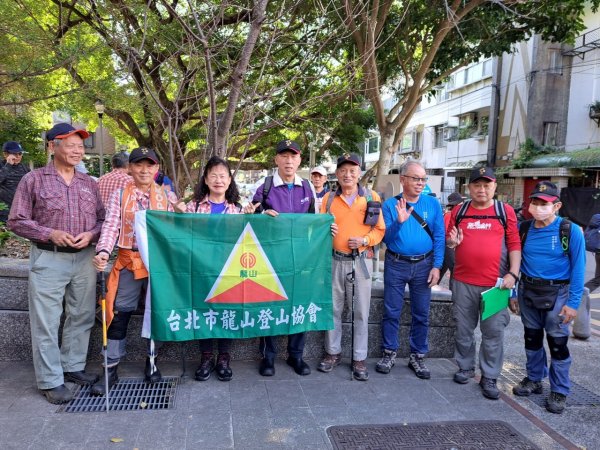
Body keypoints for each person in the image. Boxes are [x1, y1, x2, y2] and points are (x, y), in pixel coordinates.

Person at [8, 123, 104, 404]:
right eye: (70, 144)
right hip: (48, 257)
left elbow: (102, 219)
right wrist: (51, 233)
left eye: (80, 145)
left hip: (84, 258)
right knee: (47, 321)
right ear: (52, 146)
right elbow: (16, 220)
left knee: (82, 315)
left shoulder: (89, 183)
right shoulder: (33, 180)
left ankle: (72, 367)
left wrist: (92, 234)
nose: (77, 150)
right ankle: (50, 380)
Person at [91, 147, 178, 395]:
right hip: (129, 261)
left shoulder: (166, 198)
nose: (144, 170)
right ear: (130, 167)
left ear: (156, 169)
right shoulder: (119, 195)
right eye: (138, 165)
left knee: (157, 312)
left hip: (157, 265)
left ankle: (152, 363)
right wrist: (103, 252)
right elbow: (110, 226)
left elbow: (173, 232)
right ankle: (110, 368)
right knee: (119, 313)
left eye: (149, 165)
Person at [446, 166, 520, 400]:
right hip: (462, 281)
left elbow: (515, 244)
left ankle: (489, 376)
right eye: (477, 185)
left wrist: (513, 274)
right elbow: (449, 240)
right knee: (463, 329)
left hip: (496, 285)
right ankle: (465, 367)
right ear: (469, 188)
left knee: (493, 332)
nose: (482, 189)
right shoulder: (459, 210)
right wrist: (452, 242)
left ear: (494, 187)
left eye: (487, 185)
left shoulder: (504, 211)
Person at [511, 181, 586, 413]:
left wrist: (573, 304)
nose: (538, 206)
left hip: (558, 294)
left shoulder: (570, 231)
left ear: (557, 206)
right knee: (531, 339)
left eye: (544, 203)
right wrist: (514, 292)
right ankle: (534, 379)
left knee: (557, 344)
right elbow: (515, 262)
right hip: (528, 291)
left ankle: (560, 390)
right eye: (535, 201)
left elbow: (579, 269)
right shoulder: (524, 229)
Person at [174, 156, 248, 382]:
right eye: (213, 175)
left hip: (229, 271)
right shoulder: (192, 207)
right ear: (205, 179)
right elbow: (179, 236)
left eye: (223, 176)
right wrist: (178, 217)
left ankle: (224, 358)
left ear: (229, 181)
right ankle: (206, 357)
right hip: (200, 269)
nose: (218, 180)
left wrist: (256, 218)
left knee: (228, 312)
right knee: (203, 312)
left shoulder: (238, 209)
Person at [247, 139, 316, 377]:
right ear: (276, 159)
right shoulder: (264, 186)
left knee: (298, 305)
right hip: (271, 259)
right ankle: (268, 357)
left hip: (299, 260)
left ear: (299, 160)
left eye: (293, 156)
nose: (289, 161)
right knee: (271, 305)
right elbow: (250, 217)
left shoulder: (308, 187)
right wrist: (262, 214)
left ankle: (296, 356)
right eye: (284, 156)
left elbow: (314, 224)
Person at [317, 154, 385, 381]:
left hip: (360, 261)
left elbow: (379, 230)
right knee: (333, 309)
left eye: (352, 171)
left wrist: (365, 240)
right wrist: (325, 231)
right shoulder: (327, 199)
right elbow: (317, 230)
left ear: (359, 174)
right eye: (343, 171)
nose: (348, 175)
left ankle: (359, 357)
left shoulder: (370, 197)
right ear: (337, 174)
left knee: (361, 311)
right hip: (334, 261)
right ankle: (332, 353)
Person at [376, 161, 445, 379]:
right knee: (391, 311)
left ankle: (418, 355)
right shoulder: (389, 205)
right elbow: (386, 238)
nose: (420, 183)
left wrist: (437, 266)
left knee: (422, 313)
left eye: (423, 179)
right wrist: (399, 221)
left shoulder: (432, 204)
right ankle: (389, 352)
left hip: (424, 264)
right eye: (415, 178)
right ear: (403, 179)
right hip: (396, 263)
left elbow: (439, 236)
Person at [439, 192, 465, 285]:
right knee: (455, 269)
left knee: (442, 269)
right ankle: (453, 290)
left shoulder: (452, 214)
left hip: (449, 246)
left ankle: (431, 286)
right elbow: (447, 234)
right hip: (449, 246)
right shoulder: (450, 215)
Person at [0, 141, 29, 223]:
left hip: (21, 211)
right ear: (5, 154)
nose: (18, 156)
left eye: (20, 154)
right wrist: (8, 165)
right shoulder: (1, 165)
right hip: (4, 212)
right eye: (15, 154)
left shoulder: (24, 167)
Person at [584, 213, 600, 293]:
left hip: (598, 252)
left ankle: (578, 293)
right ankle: (578, 293)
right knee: (598, 279)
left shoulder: (596, 218)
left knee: (598, 279)